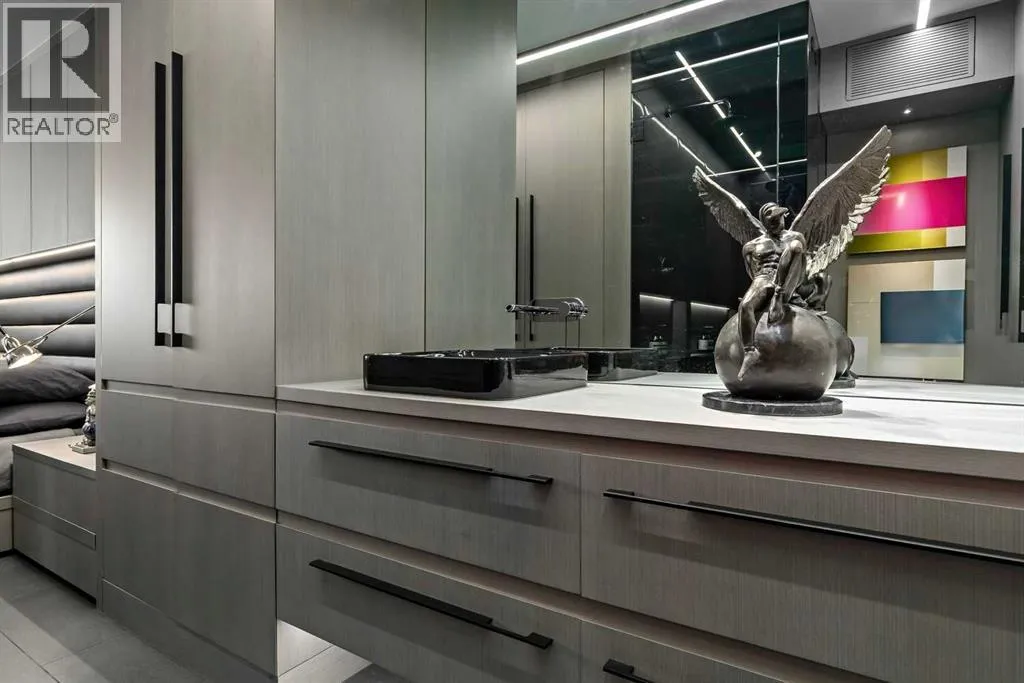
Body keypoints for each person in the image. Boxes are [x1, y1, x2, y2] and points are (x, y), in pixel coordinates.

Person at [737, 202, 806, 379]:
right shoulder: (751, 246)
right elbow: (751, 271)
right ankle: (750, 351)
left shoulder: (795, 237)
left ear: (784, 216)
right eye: (772, 220)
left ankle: (779, 296)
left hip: (787, 280)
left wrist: (785, 288)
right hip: (764, 278)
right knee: (745, 306)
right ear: (764, 221)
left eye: (779, 218)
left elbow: (801, 266)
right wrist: (760, 291)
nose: (776, 222)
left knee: (795, 246)